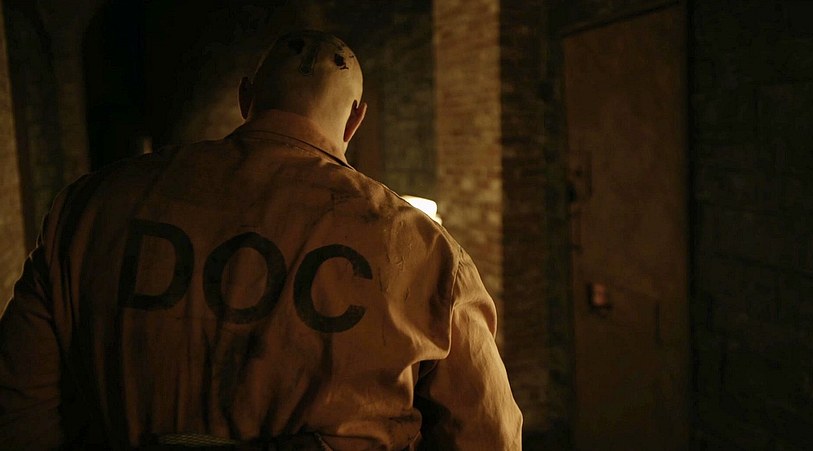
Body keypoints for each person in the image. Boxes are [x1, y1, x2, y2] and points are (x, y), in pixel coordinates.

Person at [0, 30, 522, 449]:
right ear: (355, 119)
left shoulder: (91, 207)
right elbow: (487, 433)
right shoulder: (425, 250)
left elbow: (20, 405)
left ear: (246, 97)